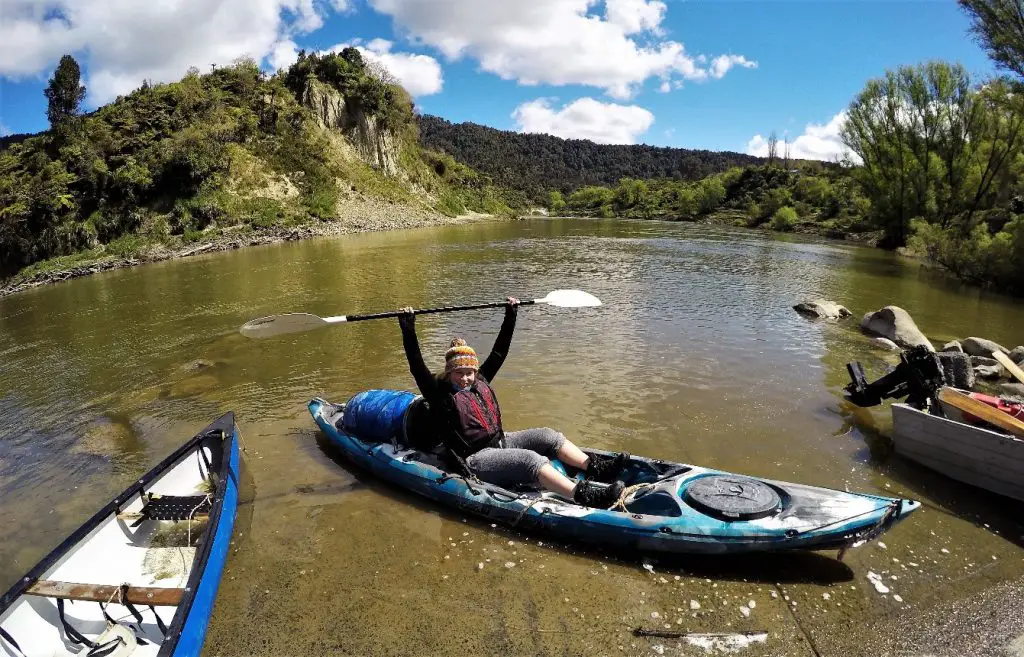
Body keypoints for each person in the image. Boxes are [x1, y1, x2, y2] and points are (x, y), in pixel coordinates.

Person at [397, 297, 629, 509]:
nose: (466, 378)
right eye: (459, 373)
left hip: (502, 442)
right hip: (475, 460)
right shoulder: (439, 395)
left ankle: (596, 467)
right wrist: (408, 329)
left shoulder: (480, 381)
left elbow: (499, 352)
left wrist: (511, 315)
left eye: (470, 371)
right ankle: (583, 495)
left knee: (549, 435)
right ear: (449, 374)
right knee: (530, 460)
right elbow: (417, 366)